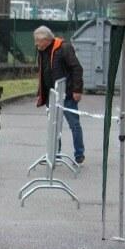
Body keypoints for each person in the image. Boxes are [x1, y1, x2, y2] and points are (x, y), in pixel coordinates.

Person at [33, 25, 85, 165]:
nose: (36, 44)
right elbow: (42, 73)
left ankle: (79, 154)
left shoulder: (64, 48)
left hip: (67, 94)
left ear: (46, 40)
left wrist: (77, 90)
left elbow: (77, 68)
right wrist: (40, 93)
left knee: (74, 124)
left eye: (37, 41)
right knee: (54, 126)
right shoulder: (41, 51)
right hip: (51, 94)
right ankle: (55, 153)